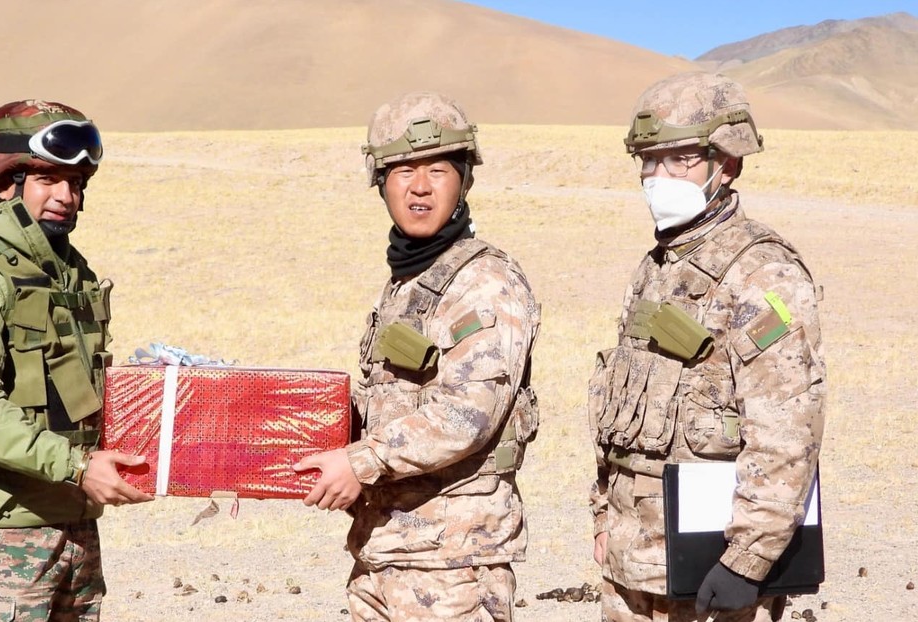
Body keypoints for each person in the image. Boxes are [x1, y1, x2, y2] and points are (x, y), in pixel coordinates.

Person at [293, 91, 542, 621]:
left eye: (437, 170)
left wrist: (360, 462)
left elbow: (468, 413)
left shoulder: (484, 282)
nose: (420, 187)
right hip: (386, 549)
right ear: (381, 184)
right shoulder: (409, 283)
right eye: (402, 170)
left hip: (452, 564)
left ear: (465, 179)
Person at [588, 72, 826, 622]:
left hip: (711, 574)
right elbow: (620, 410)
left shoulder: (762, 272)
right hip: (630, 568)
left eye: (680, 160)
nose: (657, 176)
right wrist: (603, 521)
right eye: (649, 160)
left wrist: (748, 560)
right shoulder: (655, 270)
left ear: (729, 163)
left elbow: (787, 430)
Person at [0, 100, 154, 620]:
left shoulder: (65, 269)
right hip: (7, 528)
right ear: (5, 181)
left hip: (73, 514)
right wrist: (77, 466)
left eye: (77, 182)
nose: (69, 197)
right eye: (49, 179)